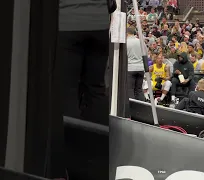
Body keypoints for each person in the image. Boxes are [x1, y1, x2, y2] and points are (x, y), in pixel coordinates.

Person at [55, 0, 116, 179]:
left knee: (67, 90)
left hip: (67, 24)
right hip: (99, 26)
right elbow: (111, 4)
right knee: (96, 89)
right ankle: (97, 149)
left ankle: (71, 154)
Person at [127, 27, 144, 101]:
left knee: (130, 89)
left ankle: (132, 109)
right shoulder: (141, 42)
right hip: (141, 68)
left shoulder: (126, 42)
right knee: (139, 90)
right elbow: (145, 54)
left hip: (130, 68)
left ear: (127, 33)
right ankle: (142, 109)